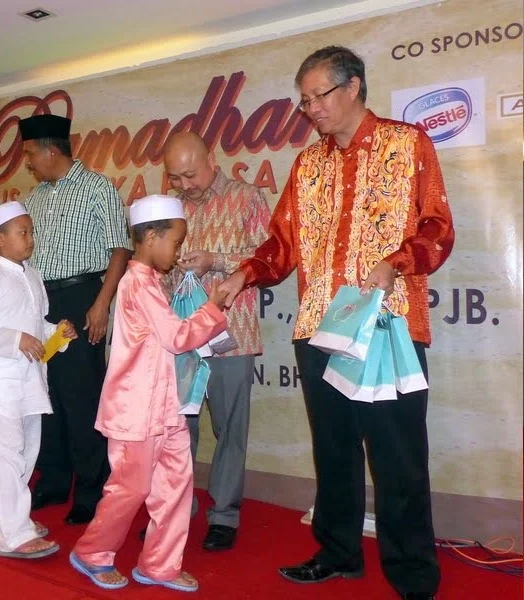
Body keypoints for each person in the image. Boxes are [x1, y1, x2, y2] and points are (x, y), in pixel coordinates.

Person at [218, 46, 454, 600]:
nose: (310, 109)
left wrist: (396, 262)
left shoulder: (407, 144)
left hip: (386, 328)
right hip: (318, 331)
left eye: (318, 96)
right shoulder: (307, 164)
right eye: (303, 100)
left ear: (352, 88)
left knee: (397, 458)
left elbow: (437, 227)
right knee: (334, 451)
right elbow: (282, 245)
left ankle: (413, 575)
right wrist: (245, 274)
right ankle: (339, 553)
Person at [0, 115, 132, 523]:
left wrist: (102, 303)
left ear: (51, 150)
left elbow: (120, 249)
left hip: (82, 298)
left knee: (80, 395)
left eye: (31, 154)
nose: (29, 163)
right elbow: (24, 253)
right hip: (36, 300)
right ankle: (54, 480)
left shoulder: (97, 187)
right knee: (43, 393)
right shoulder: (33, 198)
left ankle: (90, 490)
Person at [70, 195, 228, 592]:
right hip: (135, 410)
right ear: (151, 237)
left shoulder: (151, 283)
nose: (176, 253)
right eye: (175, 243)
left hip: (165, 407)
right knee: (131, 488)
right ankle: (92, 552)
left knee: (176, 484)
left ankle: (160, 564)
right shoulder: (137, 283)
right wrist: (213, 307)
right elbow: (177, 337)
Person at [159, 131, 271, 551]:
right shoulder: (170, 208)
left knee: (229, 429)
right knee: (177, 429)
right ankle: (177, 506)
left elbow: (267, 258)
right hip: (181, 338)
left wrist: (215, 262)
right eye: (175, 177)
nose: (184, 185)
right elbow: (156, 265)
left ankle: (224, 514)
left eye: (190, 174)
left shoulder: (247, 198)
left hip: (231, 337)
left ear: (211, 160)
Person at [0, 201, 76, 559]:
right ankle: (13, 536)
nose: (31, 238)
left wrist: (57, 332)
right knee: (5, 457)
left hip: (28, 379)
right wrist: (16, 340)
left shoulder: (32, 275)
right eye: (23, 232)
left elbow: (35, 325)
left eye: (31, 231)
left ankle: (17, 519)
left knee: (27, 452)